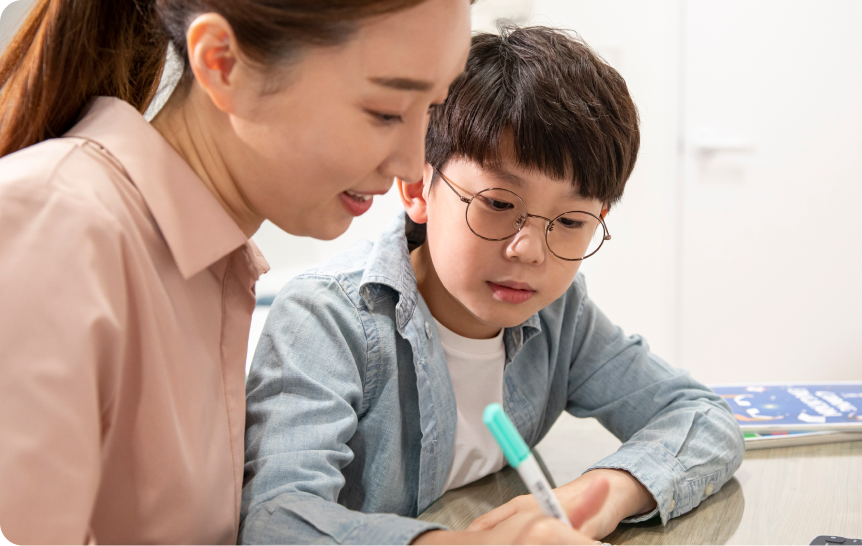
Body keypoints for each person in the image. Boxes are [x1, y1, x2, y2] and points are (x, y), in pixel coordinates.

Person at [241, 24, 745, 546]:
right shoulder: (328, 319)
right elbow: (276, 516)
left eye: (571, 222)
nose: (529, 250)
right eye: (500, 204)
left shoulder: (558, 314)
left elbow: (700, 416)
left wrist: (606, 492)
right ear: (418, 188)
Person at [0, 0, 470, 544]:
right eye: (386, 111)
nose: (411, 166)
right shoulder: (51, 226)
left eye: (431, 110)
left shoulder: (211, 266)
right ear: (223, 63)